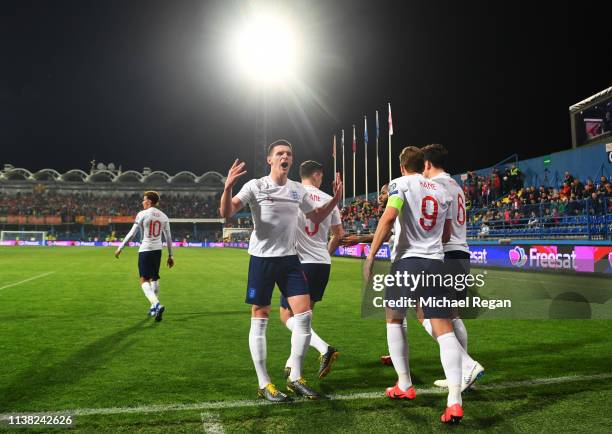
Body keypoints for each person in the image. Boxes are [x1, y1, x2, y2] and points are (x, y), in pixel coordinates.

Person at [219, 139, 342, 402]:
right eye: (280, 153)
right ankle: (264, 383)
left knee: (304, 315)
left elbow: (317, 217)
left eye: (289, 154)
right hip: (262, 260)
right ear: (270, 159)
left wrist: (337, 200)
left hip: (290, 260)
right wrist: (228, 187)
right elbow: (227, 213)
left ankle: (295, 377)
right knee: (261, 317)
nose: (285, 157)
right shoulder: (256, 185)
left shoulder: (298, 190)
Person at [363, 146, 469, 425]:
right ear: (423, 164)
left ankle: (404, 384)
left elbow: (389, 217)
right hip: (437, 262)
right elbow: (446, 233)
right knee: (444, 330)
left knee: (394, 319)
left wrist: (371, 254)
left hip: (408, 262)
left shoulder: (400, 184)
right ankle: (455, 402)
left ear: (401, 167)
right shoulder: (442, 190)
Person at [421, 144, 484, 392]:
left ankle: (466, 366)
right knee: (452, 315)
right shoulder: (456, 186)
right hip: (462, 253)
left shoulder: (435, 186)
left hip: (444, 254)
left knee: (429, 314)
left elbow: (437, 226)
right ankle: (460, 374)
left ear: (426, 164)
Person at [280, 160, 344, 380]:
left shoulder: (294, 194)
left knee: (286, 315)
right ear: (317, 175)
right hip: (322, 263)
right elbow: (339, 234)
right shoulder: (329, 200)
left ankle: (324, 348)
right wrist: (325, 251)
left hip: (299, 263)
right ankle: (292, 364)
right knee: (304, 317)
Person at [114, 191, 174, 322]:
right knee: (155, 277)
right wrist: (171, 255)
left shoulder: (142, 214)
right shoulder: (164, 216)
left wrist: (120, 247)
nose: (142, 202)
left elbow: (132, 233)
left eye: (144, 200)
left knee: (143, 279)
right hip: (158, 250)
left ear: (149, 202)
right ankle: (153, 307)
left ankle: (157, 304)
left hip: (145, 250)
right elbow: (168, 237)